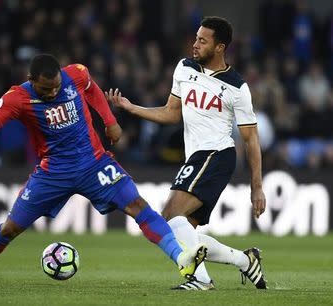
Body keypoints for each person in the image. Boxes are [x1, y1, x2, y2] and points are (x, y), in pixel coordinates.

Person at [0, 54, 207, 286]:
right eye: (46, 89)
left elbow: (92, 89)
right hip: (53, 173)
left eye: (56, 87)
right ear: (31, 81)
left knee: (137, 205)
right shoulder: (17, 98)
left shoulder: (75, 74)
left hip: (94, 163)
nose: (53, 92)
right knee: (10, 228)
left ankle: (181, 259)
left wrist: (109, 121)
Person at [106, 16, 267, 290]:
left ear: (220, 47)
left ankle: (201, 279)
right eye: (196, 38)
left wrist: (257, 187)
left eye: (203, 41)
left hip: (217, 154)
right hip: (196, 157)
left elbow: (251, 140)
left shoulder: (237, 87)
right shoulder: (184, 68)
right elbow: (171, 113)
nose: (195, 45)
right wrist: (132, 108)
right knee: (183, 231)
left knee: (168, 217)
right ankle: (245, 261)